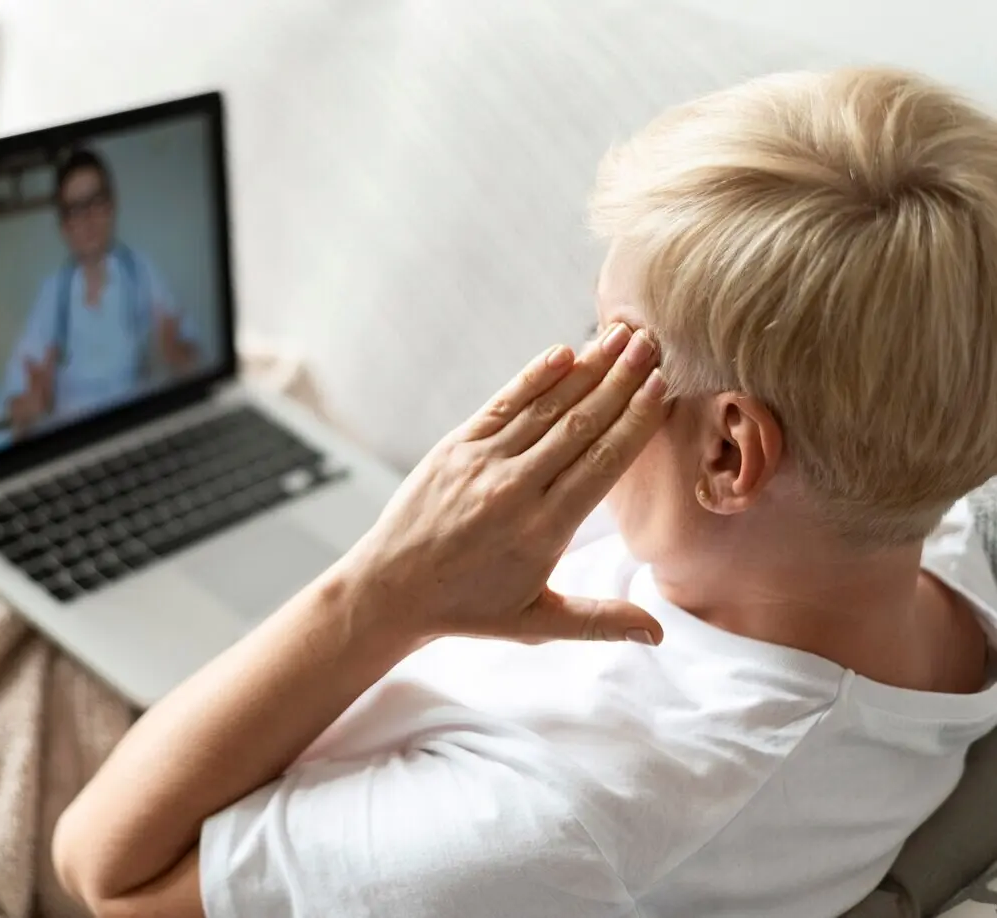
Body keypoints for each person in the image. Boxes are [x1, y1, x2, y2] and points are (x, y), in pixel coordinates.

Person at [50, 68, 997, 917]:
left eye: (612, 335)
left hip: (164, 771)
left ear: (727, 452)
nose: (579, 364)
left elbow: (107, 876)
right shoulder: (941, 536)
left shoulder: (557, 828)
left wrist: (381, 587)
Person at [0, 148, 201, 442]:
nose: (87, 219)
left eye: (95, 201)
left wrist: (176, 357)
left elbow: (196, 363)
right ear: (64, 226)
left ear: (111, 206)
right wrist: (25, 411)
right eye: (75, 209)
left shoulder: (142, 274)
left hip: (137, 436)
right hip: (74, 446)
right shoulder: (52, 296)